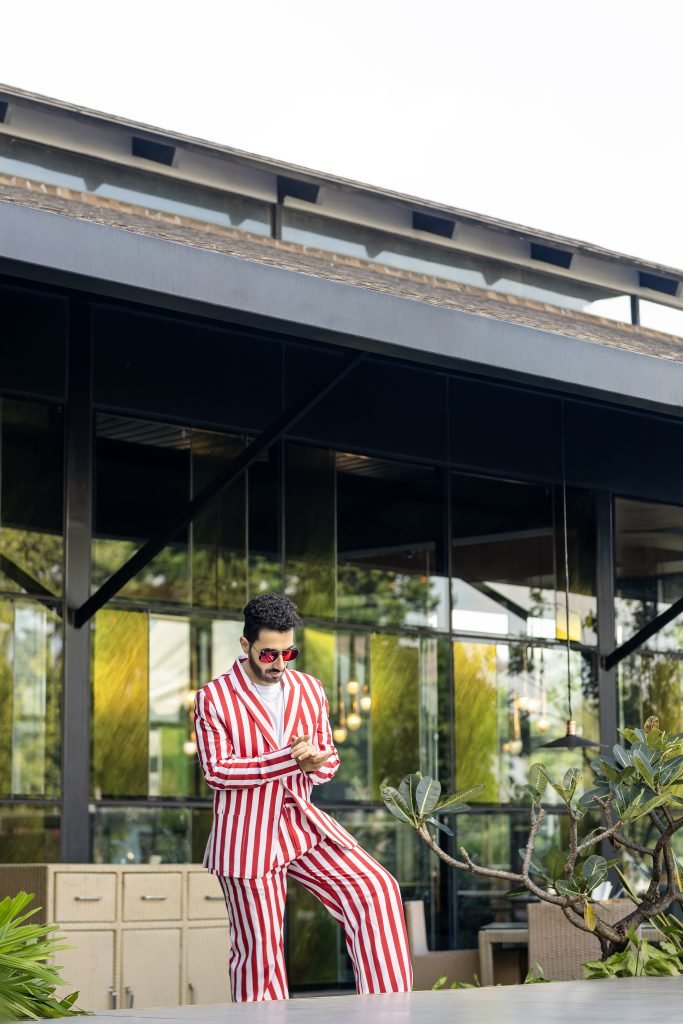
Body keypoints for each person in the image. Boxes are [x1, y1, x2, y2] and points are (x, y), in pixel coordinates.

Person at [194, 592, 413, 1002]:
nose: (279, 664)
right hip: (247, 837)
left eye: (288, 653)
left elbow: (328, 762)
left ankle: (391, 1010)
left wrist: (315, 764)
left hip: (303, 826)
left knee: (377, 890)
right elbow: (217, 771)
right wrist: (289, 760)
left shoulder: (309, 689)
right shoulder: (214, 697)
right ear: (245, 645)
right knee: (260, 952)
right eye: (268, 654)